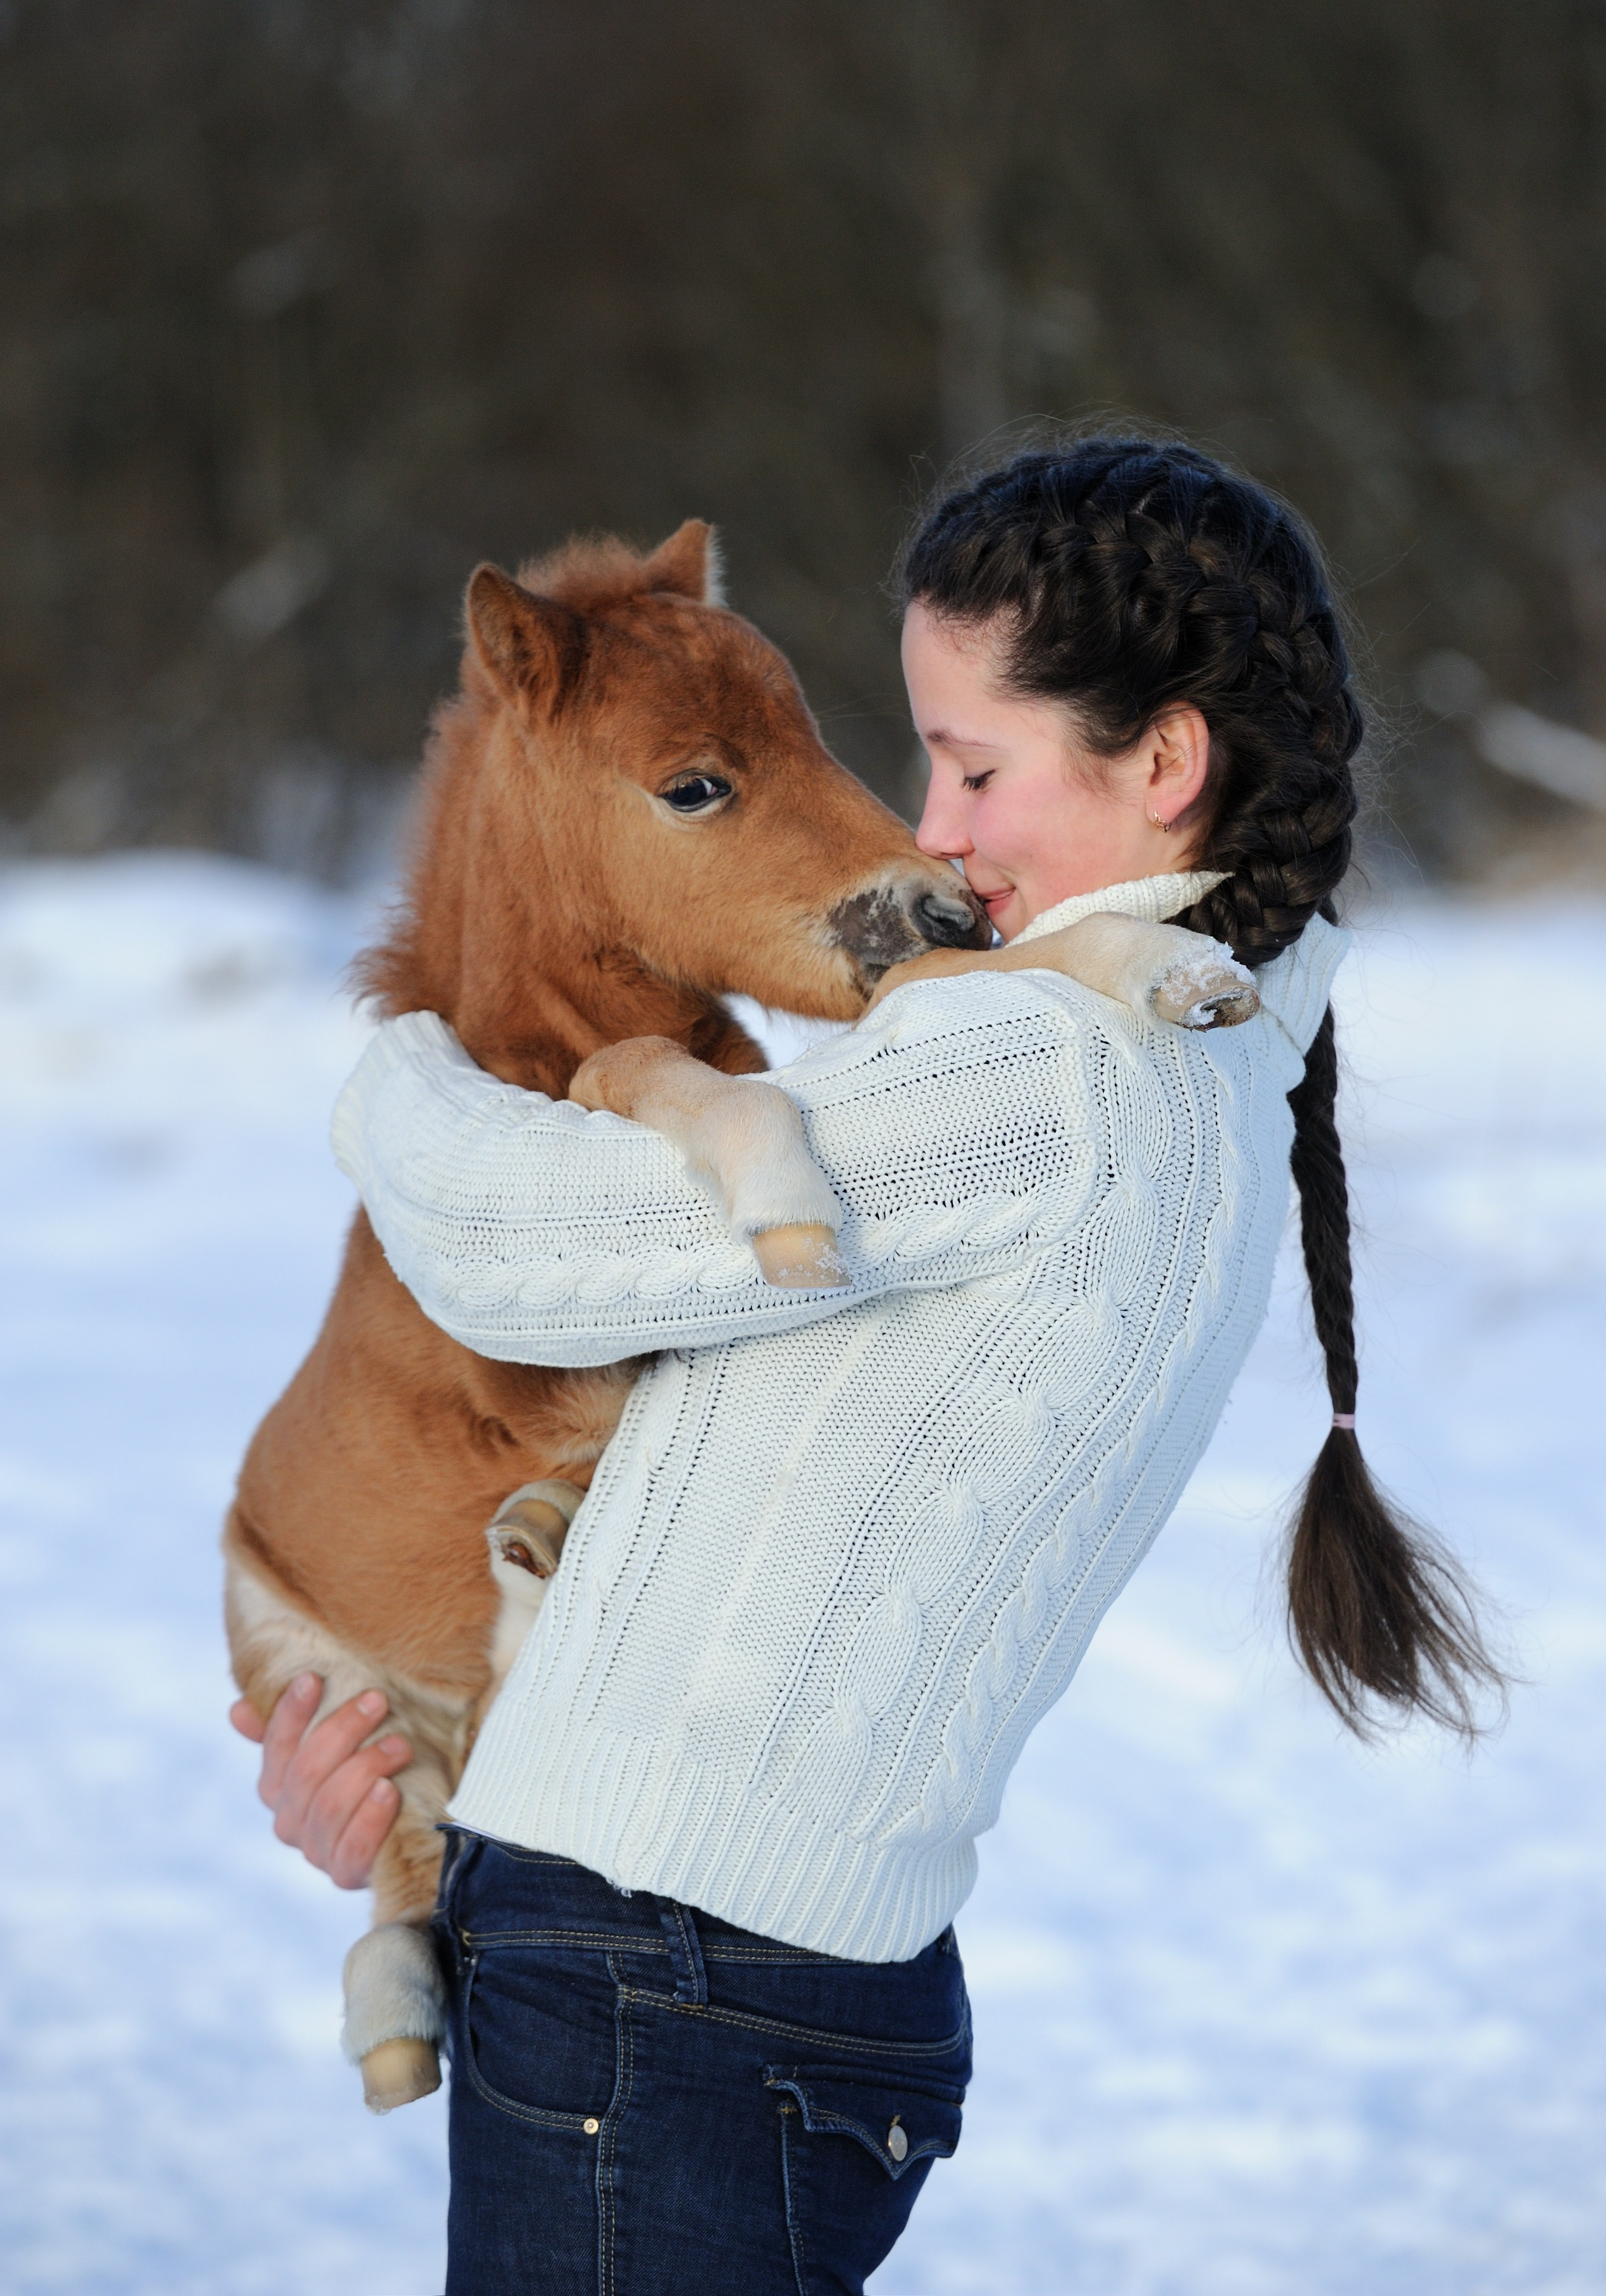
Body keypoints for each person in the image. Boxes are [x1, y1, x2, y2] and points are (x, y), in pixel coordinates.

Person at [234, 437, 1497, 2293]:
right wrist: (420, 1724)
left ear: (1164, 763)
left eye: (979, 766)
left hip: (674, 1989)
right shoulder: (1190, 1047)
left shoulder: (1054, 1078)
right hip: (717, 1981)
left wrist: (396, 1061)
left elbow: (518, 1238)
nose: (934, 830)